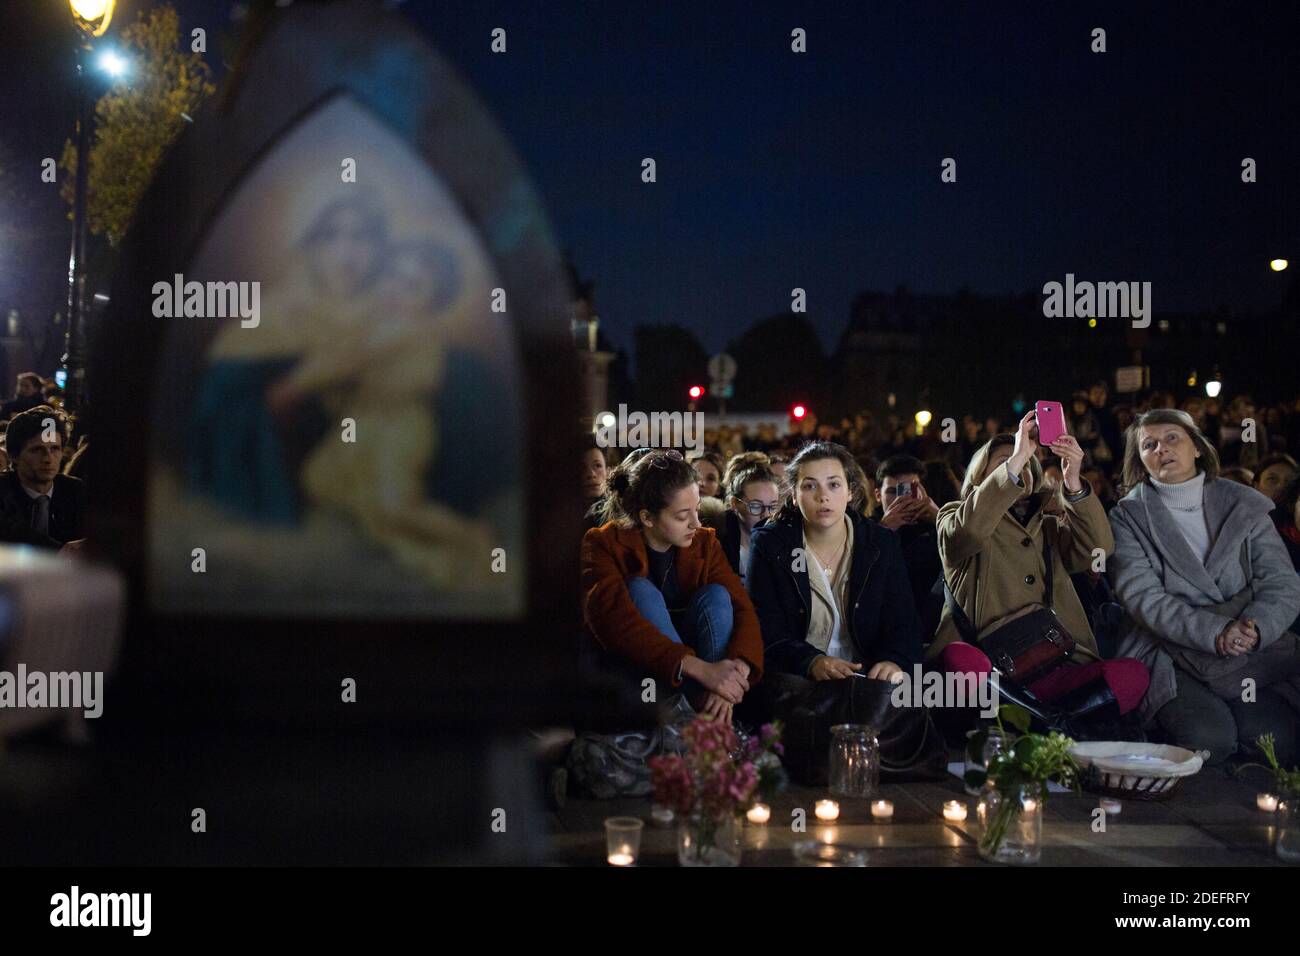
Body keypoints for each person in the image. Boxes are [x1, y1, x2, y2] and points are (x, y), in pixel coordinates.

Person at [1109, 409, 1300, 764]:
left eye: (1172, 438)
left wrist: (1256, 627)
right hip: (1168, 653)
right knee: (1210, 738)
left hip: (1248, 653)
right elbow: (1143, 597)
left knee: (1278, 739)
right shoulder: (1127, 516)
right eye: (1149, 444)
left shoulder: (1244, 503)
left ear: (1197, 447)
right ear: (1140, 461)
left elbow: (1282, 581)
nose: (1162, 449)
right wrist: (1216, 631)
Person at [929, 412, 1150, 720]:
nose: (1019, 465)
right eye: (1004, 463)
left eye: (1026, 463)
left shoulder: (1050, 527)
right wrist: (1017, 457)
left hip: (1052, 663)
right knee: (961, 662)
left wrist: (1073, 481)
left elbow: (1097, 549)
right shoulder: (953, 516)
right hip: (989, 665)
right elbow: (968, 533)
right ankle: (1058, 729)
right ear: (982, 479)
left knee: (1131, 674)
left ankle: (1037, 725)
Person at [582, 449, 763, 725]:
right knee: (639, 590)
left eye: (697, 510)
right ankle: (696, 721)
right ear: (647, 517)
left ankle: (710, 716)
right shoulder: (603, 543)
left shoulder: (704, 542)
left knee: (717, 595)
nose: (696, 523)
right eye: (682, 516)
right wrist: (702, 671)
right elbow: (612, 619)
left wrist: (731, 678)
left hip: (702, 663)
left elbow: (742, 608)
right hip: (639, 670)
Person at [747, 442, 923, 687]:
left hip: (867, 679)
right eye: (809, 486)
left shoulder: (880, 543)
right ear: (794, 496)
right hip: (798, 681)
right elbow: (764, 630)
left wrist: (893, 661)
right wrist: (810, 661)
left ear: (850, 492)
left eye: (834, 484)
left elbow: (904, 623)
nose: (823, 496)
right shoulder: (770, 545)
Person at [874, 455, 943, 638]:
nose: (900, 499)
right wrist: (884, 530)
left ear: (922, 491)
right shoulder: (867, 531)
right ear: (877, 496)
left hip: (932, 627)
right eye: (892, 492)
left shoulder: (938, 528)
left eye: (908, 490)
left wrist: (940, 518)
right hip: (882, 630)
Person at [0, 406, 87, 550]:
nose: (48, 459)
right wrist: (60, 550)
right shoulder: (3, 489)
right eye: (37, 450)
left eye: (55, 449)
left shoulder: (75, 490)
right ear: (14, 456)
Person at [716, 454, 779, 585]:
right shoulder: (717, 541)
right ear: (734, 503)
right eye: (756, 506)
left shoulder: (783, 541)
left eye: (772, 506)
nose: (766, 515)